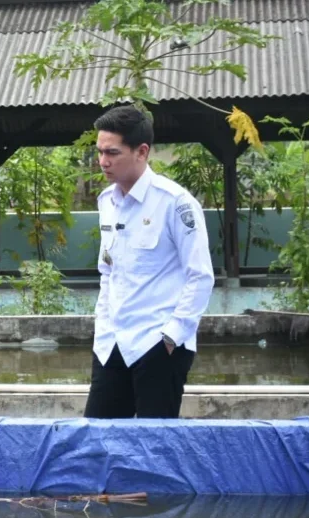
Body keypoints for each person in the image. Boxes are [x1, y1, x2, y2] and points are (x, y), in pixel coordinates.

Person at [85, 105, 215, 419]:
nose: (103, 161)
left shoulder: (175, 203)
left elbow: (200, 276)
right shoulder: (107, 202)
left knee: (153, 449)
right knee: (96, 442)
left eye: (113, 152)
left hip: (158, 345)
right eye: (100, 151)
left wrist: (171, 337)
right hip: (112, 344)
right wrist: (102, 325)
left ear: (141, 151)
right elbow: (108, 272)